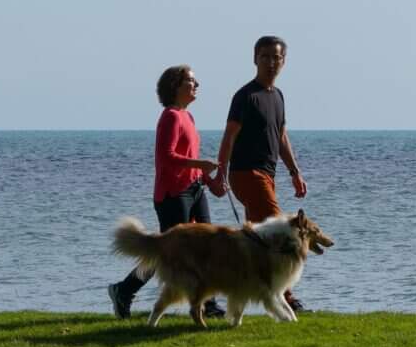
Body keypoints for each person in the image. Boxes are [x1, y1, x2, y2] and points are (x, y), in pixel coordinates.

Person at [108, 65, 224, 320]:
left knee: (209, 244)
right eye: (191, 81)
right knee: (168, 253)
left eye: (195, 81)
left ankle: (208, 304)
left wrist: (210, 181)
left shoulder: (188, 117)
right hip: (173, 194)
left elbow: (191, 159)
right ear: (175, 86)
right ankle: (123, 290)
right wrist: (200, 165)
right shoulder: (170, 116)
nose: (196, 85)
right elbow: (167, 157)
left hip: (195, 189)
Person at [212, 34, 311, 311]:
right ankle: (287, 298)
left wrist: (294, 171)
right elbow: (229, 136)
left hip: (268, 175)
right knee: (282, 231)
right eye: (265, 57)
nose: (271, 62)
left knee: (254, 242)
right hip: (246, 173)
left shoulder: (277, 96)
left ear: (284, 61)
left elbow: (280, 135)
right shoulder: (246, 96)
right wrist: (221, 173)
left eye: (276, 57)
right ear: (255, 59)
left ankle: (241, 292)